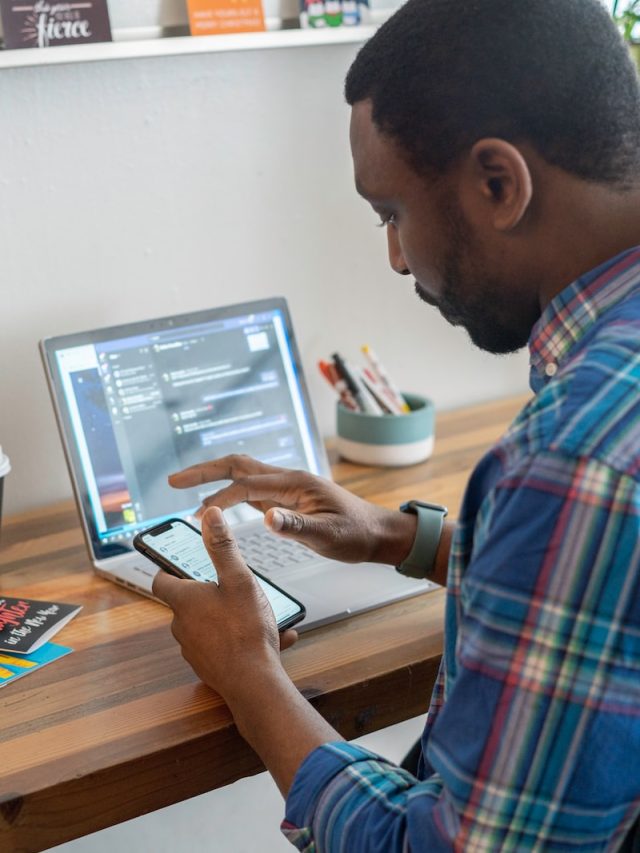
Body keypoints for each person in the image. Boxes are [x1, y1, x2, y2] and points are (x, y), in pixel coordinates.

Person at [153, 0, 640, 848]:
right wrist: (400, 537)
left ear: (499, 184)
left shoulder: (577, 454)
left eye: (391, 213)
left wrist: (251, 675)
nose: (396, 257)